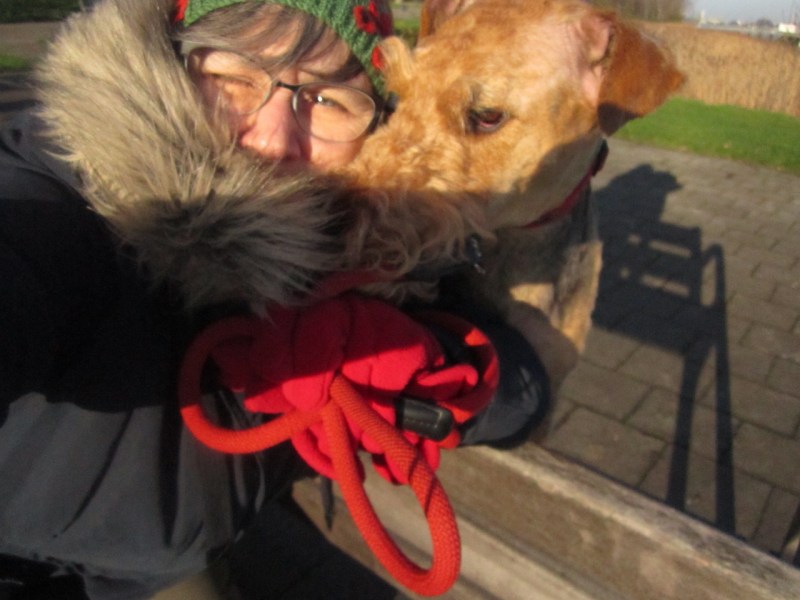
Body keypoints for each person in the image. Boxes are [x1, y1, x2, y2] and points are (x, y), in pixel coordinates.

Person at [0, 0, 549, 597]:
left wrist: (439, 366)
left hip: (173, 559)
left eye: (328, 100)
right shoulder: (59, 207)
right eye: (234, 79)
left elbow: (512, 379)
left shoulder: (368, 241)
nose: (272, 139)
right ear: (171, 62)